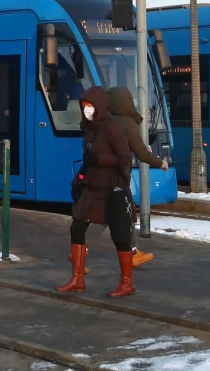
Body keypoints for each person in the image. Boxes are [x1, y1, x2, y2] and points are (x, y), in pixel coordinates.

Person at [57, 87, 137, 298]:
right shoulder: (89, 129)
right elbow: (88, 159)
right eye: (84, 107)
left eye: (90, 107)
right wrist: (80, 177)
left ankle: (127, 283)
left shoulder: (112, 129)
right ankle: (77, 279)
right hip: (92, 189)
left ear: (100, 106)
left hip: (113, 191)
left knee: (120, 237)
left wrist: (103, 160)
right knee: (77, 227)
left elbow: (125, 160)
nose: (87, 111)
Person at [108, 87, 169, 267]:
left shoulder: (105, 121)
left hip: (103, 175)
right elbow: (142, 153)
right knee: (121, 214)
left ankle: (132, 252)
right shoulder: (127, 123)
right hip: (119, 177)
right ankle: (82, 250)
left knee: (116, 215)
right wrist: (161, 163)